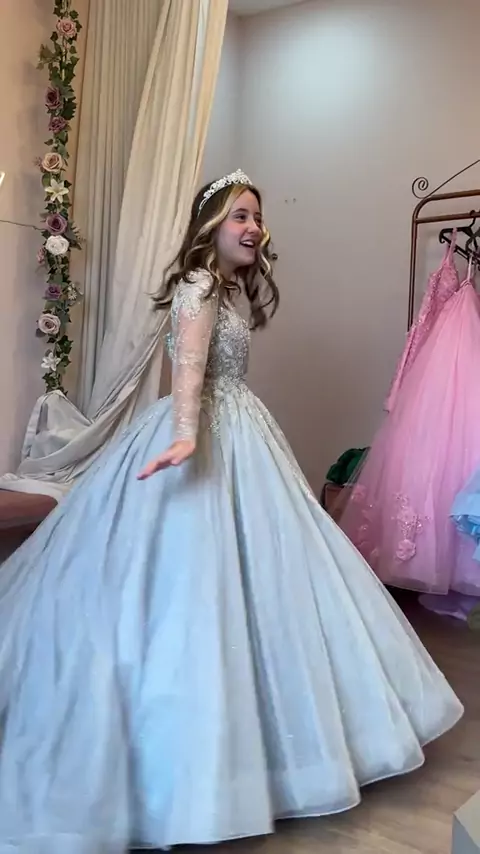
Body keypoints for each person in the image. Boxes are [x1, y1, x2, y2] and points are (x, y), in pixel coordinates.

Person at [0, 169, 463, 853]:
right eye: (240, 216)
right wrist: (187, 434)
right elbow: (188, 372)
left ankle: (262, 747)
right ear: (211, 225)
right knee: (191, 586)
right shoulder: (198, 286)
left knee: (262, 581)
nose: (253, 228)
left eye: (257, 217)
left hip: (241, 432)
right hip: (207, 434)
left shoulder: (225, 289)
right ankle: (202, 760)